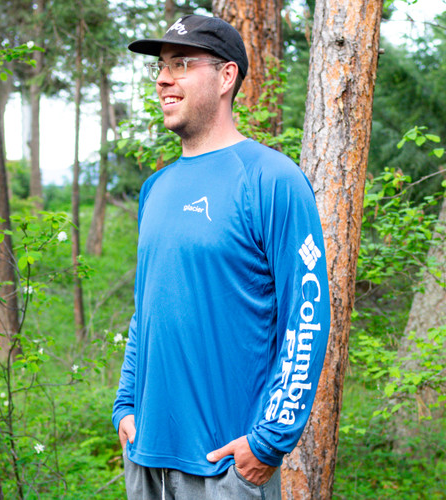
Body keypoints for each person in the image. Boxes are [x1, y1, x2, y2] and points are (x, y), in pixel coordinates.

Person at [112, 14, 330, 500]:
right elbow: (146, 310)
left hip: (225, 467)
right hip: (145, 455)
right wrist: (126, 405)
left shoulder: (271, 180)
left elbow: (308, 314)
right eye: (162, 67)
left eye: (182, 63)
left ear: (226, 76)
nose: (164, 78)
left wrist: (269, 440)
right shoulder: (156, 189)